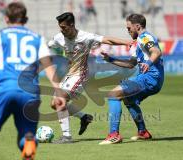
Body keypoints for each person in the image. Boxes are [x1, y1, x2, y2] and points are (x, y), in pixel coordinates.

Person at [0, 2, 66, 160]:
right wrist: (59, 92)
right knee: (27, 134)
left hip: (6, 87)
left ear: (6, 18)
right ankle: (28, 142)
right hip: (30, 93)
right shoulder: (37, 39)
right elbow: (48, 65)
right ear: (26, 19)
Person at [49, 12, 132, 143]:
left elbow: (107, 40)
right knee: (54, 104)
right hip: (70, 75)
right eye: (60, 27)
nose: (62, 30)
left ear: (72, 25)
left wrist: (127, 42)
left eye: (64, 27)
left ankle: (67, 136)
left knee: (60, 100)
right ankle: (84, 117)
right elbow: (47, 44)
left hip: (81, 74)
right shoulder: (59, 38)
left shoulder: (85, 37)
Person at [99, 13, 164, 145]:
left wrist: (149, 63)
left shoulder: (145, 37)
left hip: (150, 77)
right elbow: (130, 64)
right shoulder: (139, 42)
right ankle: (143, 132)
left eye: (129, 28)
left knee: (113, 95)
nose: (127, 31)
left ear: (137, 26)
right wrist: (110, 59)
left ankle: (114, 135)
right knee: (129, 99)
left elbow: (156, 52)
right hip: (149, 78)